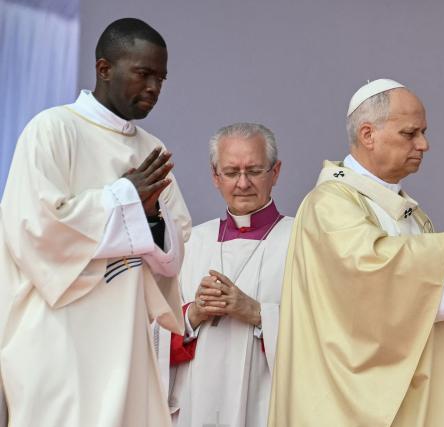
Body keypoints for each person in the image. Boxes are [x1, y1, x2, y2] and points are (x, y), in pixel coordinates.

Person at [268, 78, 444, 426]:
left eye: (423, 132)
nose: (424, 144)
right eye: (410, 133)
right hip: (341, 399)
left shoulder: (409, 213)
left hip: (403, 399)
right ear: (368, 134)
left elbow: (415, 302)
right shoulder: (331, 203)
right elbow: (367, 271)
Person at [0, 18, 191, 427]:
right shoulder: (51, 130)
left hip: (124, 339)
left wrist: (153, 217)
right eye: (143, 73)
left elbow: (173, 252)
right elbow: (34, 229)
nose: (154, 88)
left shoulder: (151, 149)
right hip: (59, 338)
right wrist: (123, 197)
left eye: (161, 77)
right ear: (104, 69)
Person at [169, 123, 292, 427]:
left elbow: (327, 333)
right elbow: (155, 334)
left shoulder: (302, 241)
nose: (242, 183)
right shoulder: (191, 242)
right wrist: (193, 314)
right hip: (197, 403)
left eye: (254, 170)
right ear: (215, 177)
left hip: (267, 404)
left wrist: (257, 313)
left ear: (275, 172)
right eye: (231, 172)